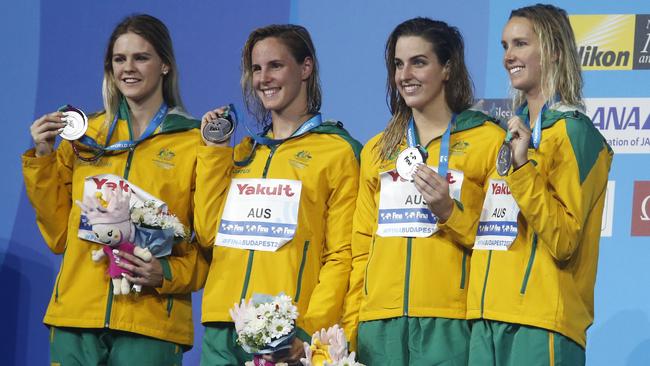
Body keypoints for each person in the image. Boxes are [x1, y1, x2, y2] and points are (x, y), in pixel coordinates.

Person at [23, 14, 206, 365]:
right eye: (119, 59)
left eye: (141, 57)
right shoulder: (84, 137)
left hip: (149, 322)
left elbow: (206, 248)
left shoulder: (193, 142)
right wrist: (43, 156)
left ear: (165, 64)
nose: (128, 68)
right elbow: (58, 234)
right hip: (76, 318)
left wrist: (165, 275)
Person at [194, 24, 361, 365]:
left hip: (283, 335)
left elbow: (341, 256)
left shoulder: (338, 152)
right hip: (222, 329)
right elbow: (209, 233)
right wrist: (214, 152)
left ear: (305, 68)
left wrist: (309, 329)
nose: (263, 78)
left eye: (275, 66)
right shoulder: (242, 152)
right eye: (256, 69)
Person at [341, 17, 505, 365]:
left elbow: (500, 244)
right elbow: (361, 251)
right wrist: (351, 327)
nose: (405, 75)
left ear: (447, 68)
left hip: (450, 323)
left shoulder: (488, 142)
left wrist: (450, 212)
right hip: (378, 324)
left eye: (419, 62)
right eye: (398, 64)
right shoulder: (377, 150)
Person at [466, 4, 613, 365]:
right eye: (503, 46)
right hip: (486, 321)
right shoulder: (508, 135)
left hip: (540, 324)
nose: (508, 56)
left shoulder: (575, 134)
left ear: (554, 50)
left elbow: (563, 239)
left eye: (520, 44)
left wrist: (521, 169)